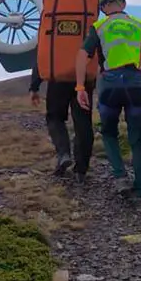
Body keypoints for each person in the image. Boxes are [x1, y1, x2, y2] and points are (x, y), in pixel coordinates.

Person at [75, 0, 141, 203]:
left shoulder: (99, 26)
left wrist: (80, 87)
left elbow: (83, 55)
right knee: (139, 139)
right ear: (124, 4)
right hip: (136, 84)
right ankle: (140, 190)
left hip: (109, 85)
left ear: (103, 8)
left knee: (109, 133)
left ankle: (120, 177)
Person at [28, 51, 95, 185]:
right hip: (84, 79)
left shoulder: (49, 28)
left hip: (58, 78)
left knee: (55, 117)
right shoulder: (88, 28)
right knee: (83, 122)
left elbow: (41, 56)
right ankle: (81, 170)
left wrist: (34, 86)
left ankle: (63, 153)